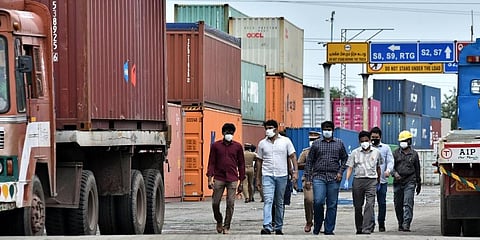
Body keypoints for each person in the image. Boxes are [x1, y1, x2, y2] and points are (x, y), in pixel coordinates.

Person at [304, 121, 348, 235]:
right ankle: (317, 225)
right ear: (322, 130)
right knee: (318, 201)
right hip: (319, 177)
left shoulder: (339, 143)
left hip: (334, 177)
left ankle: (329, 229)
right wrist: (308, 179)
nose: (327, 131)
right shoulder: (316, 144)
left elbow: (345, 159)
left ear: (333, 130)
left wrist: (340, 172)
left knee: (332, 204)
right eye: (325, 129)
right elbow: (309, 162)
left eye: (329, 129)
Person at [256, 119, 298, 235]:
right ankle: (267, 226)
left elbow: (293, 156)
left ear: (276, 129)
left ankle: (278, 226)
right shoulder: (262, 144)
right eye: (266, 128)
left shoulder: (286, 141)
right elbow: (259, 161)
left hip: (282, 175)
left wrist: (295, 172)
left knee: (279, 202)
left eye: (270, 128)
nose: (268, 130)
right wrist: (258, 178)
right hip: (267, 175)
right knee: (268, 201)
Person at [206, 123, 245, 234]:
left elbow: (241, 164)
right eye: (227, 132)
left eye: (231, 133)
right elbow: (211, 163)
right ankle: (219, 220)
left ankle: (226, 226)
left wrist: (241, 182)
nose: (229, 134)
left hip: (232, 178)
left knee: (230, 203)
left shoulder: (238, 147)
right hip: (219, 177)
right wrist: (210, 178)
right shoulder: (216, 146)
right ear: (223, 133)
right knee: (215, 203)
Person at [344, 131, 383, 234]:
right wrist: (347, 180)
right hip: (358, 180)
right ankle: (359, 227)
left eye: (366, 140)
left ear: (370, 141)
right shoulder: (354, 153)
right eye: (362, 141)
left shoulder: (376, 152)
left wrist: (379, 180)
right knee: (358, 206)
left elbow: (378, 167)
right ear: (359, 142)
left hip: (371, 181)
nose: (364, 143)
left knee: (370, 204)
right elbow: (350, 167)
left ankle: (367, 228)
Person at [391, 130, 422, 232]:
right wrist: (395, 174)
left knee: (408, 202)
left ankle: (406, 224)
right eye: (401, 141)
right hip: (398, 182)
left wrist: (419, 183)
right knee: (398, 204)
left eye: (404, 140)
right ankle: (400, 223)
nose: (402, 142)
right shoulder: (395, 153)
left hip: (410, 181)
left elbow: (417, 169)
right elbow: (391, 167)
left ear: (409, 141)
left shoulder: (414, 154)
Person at [370, 126, 394, 232]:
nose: (374, 139)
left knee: (382, 203)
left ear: (380, 137)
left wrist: (388, 170)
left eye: (377, 137)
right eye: (373, 137)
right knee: (370, 203)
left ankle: (381, 223)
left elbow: (390, 161)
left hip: (382, 181)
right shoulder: (366, 147)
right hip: (369, 180)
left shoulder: (385, 148)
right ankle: (370, 223)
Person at [297, 130, 322, 233]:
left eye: (315, 140)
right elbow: (298, 164)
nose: (312, 142)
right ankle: (309, 221)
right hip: (308, 179)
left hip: (321, 179)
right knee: (308, 200)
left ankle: (319, 222)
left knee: (319, 202)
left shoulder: (323, 151)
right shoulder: (306, 151)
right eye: (311, 140)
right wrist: (308, 164)